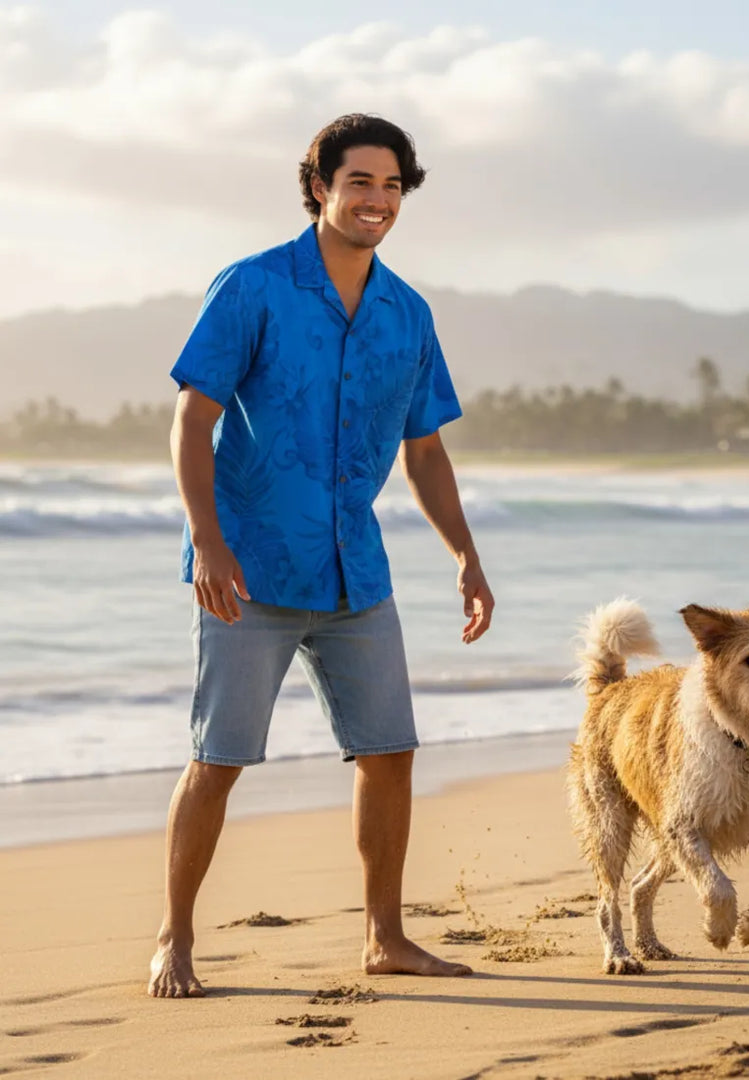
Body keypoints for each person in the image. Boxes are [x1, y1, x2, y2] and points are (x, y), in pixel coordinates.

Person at [148, 113, 493, 998]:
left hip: (356, 571)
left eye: (391, 186)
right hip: (249, 568)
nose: (376, 201)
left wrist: (464, 553)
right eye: (359, 183)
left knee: (390, 751)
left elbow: (424, 450)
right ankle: (174, 937)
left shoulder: (407, 314)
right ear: (320, 187)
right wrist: (208, 543)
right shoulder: (255, 286)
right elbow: (193, 418)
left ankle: (386, 937)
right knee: (218, 759)